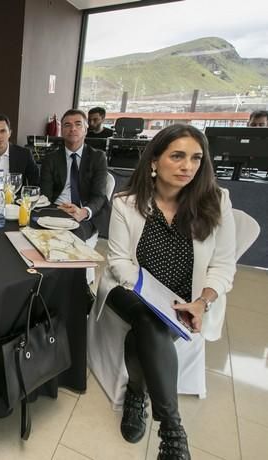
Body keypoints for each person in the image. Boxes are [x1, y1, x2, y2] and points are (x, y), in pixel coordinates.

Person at [94, 124, 236, 460]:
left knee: (147, 327)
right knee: (150, 317)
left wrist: (201, 302)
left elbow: (223, 266)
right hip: (130, 288)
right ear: (155, 161)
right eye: (178, 156)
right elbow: (119, 262)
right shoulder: (127, 203)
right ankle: (173, 429)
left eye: (196, 158)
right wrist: (154, 296)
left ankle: (137, 395)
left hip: (188, 299)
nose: (188, 166)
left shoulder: (216, 201)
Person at [40, 109, 109, 240]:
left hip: (83, 215)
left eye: (78, 124)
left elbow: (99, 196)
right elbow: (45, 194)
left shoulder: (98, 157)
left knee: (70, 238)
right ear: (62, 131)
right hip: (56, 211)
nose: (73, 129)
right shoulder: (51, 158)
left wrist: (84, 212)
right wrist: (59, 209)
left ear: (86, 129)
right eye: (67, 125)